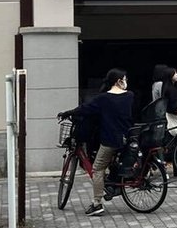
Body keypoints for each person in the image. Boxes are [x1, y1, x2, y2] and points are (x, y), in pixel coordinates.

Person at [58, 68, 135, 216]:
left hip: (110, 140)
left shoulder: (103, 99)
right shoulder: (130, 96)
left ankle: (97, 203)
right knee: (112, 162)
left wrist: (68, 113)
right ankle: (113, 185)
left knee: (98, 169)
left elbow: (85, 109)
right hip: (127, 137)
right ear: (119, 81)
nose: (126, 81)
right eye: (124, 79)